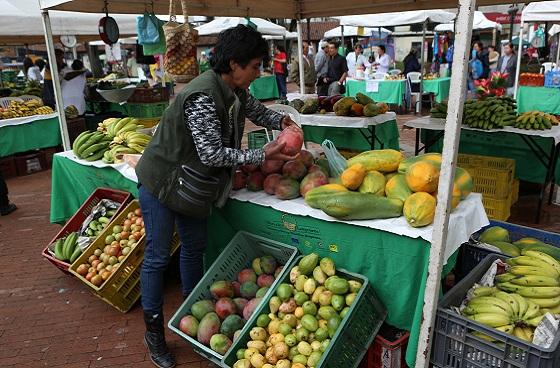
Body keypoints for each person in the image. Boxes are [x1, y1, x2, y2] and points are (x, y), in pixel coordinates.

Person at [134, 25, 299, 368]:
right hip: (163, 181)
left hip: (192, 186)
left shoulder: (233, 88)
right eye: (254, 66)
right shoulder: (203, 95)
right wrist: (260, 156)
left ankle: (190, 318)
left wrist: (285, 122)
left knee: (194, 249)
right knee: (157, 256)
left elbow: (256, 111)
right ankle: (153, 332)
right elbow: (211, 153)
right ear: (235, 64)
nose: (258, 73)